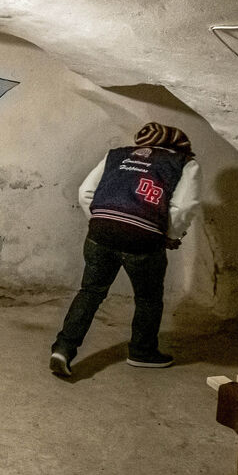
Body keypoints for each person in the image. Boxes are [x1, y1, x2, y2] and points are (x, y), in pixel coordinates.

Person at [50, 122, 201, 378]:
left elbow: (85, 192)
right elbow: (184, 207)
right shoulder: (184, 163)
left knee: (90, 292)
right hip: (143, 238)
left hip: (100, 232)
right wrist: (170, 235)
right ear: (178, 144)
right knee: (148, 298)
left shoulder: (116, 155)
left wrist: (100, 221)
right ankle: (142, 352)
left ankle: (63, 349)